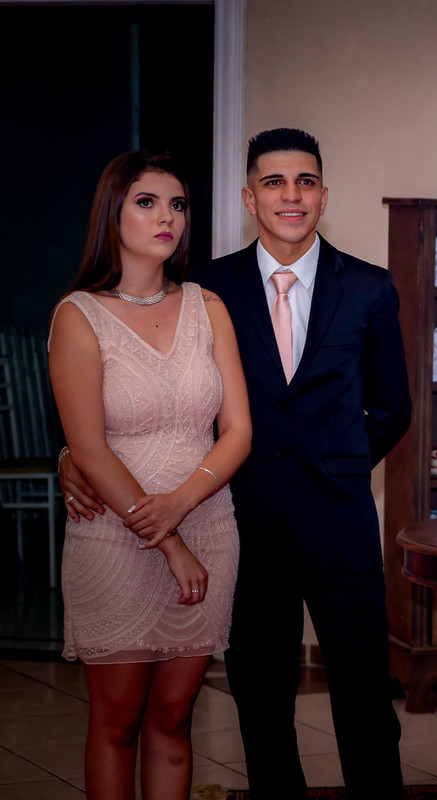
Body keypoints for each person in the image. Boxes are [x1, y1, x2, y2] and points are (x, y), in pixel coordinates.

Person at [61, 129, 412, 798]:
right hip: (242, 523)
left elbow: (392, 409)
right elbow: (151, 392)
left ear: (324, 196)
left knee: (366, 701)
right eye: (275, 182)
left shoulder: (369, 288)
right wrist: (70, 454)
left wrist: (334, 466)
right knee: (261, 701)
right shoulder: (208, 288)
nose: (291, 195)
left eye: (305, 182)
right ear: (251, 199)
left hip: (338, 524)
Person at [48, 150, 252, 799]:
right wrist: (168, 541)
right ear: (113, 213)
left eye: (177, 205)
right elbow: (89, 450)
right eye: (147, 202)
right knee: (117, 724)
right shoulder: (79, 315)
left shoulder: (208, 306)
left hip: (209, 529)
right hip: (115, 539)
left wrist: (181, 507)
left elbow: (239, 431)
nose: (167, 217)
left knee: (174, 720)